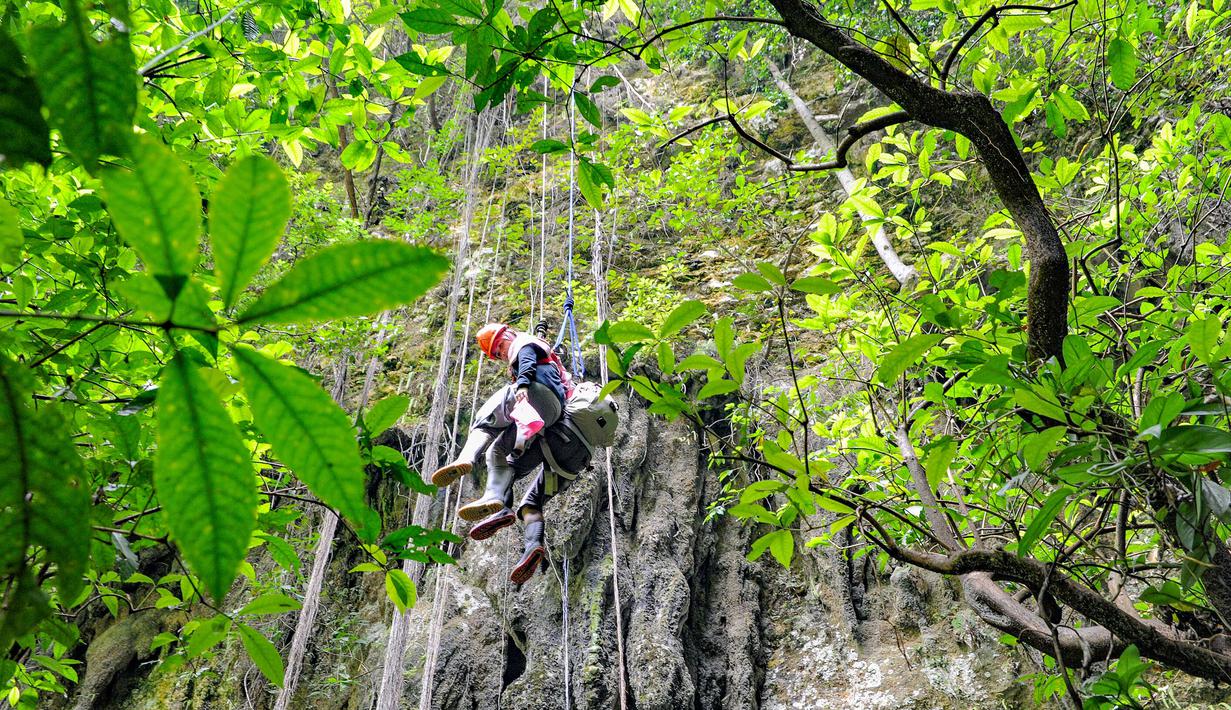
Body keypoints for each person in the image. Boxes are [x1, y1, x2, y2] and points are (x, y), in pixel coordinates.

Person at [429, 322, 571, 524]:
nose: (502, 354)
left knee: (486, 416)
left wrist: (522, 386)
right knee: (495, 451)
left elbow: (528, 361)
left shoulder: (525, 343)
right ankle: (494, 497)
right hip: (550, 413)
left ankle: (466, 458)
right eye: (497, 354)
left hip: (537, 392)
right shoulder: (540, 352)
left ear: (509, 335)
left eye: (501, 347)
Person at [468, 415, 599, 584]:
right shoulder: (592, 411)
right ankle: (533, 545)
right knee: (533, 503)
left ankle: (503, 509)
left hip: (558, 436)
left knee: (508, 468)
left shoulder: (563, 392)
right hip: (579, 459)